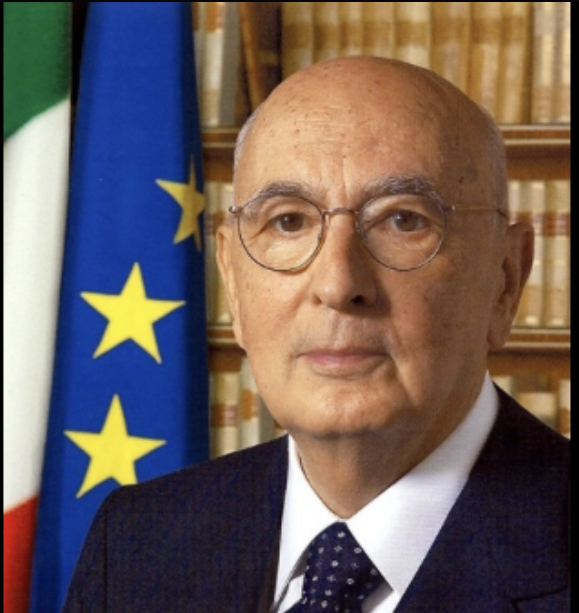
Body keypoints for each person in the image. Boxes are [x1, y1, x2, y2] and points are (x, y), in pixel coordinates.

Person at [62, 56, 570, 612]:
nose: (338, 284)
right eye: (288, 221)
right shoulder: (135, 546)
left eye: (403, 220)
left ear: (505, 281)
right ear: (232, 281)